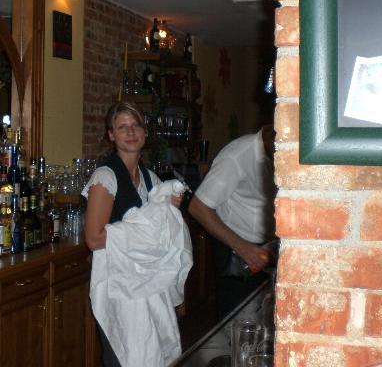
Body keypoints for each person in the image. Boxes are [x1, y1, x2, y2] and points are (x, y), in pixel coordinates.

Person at [83, 101, 184, 367]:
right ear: (111, 135)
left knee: (153, 352)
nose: (130, 132)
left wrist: (168, 212)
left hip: (148, 282)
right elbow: (94, 239)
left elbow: (161, 233)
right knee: (124, 354)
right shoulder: (105, 177)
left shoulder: (151, 179)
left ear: (145, 132)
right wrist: (142, 229)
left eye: (135, 125)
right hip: (117, 284)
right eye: (122, 127)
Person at [188, 124, 277, 319]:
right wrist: (242, 247)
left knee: (267, 318)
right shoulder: (236, 156)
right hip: (236, 249)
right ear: (270, 129)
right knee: (235, 320)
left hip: (270, 248)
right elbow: (198, 207)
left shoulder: (283, 152)